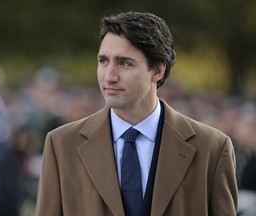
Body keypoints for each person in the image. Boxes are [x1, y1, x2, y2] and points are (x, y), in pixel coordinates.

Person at [35, 11, 238, 216]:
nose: (109, 76)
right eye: (103, 61)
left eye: (125, 63)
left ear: (157, 70)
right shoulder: (61, 145)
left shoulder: (212, 148)